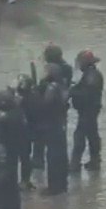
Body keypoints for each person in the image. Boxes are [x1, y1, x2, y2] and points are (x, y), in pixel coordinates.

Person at [69, 50, 104, 172]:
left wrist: (72, 92)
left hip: (88, 110)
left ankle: (75, 163)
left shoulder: (92, 76)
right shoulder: (91, 74)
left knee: (80, 136)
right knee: (92, 135)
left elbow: (86, 93)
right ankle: (95, 160)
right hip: (89, 110)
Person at [40, 63, 70, 196]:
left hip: (52, 125)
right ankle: (62, 184)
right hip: (61, 124)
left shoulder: (52, 88)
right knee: (61, 155)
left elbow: (45, 105)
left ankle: (54, 186)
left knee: (53, 156)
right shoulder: (62, 86)